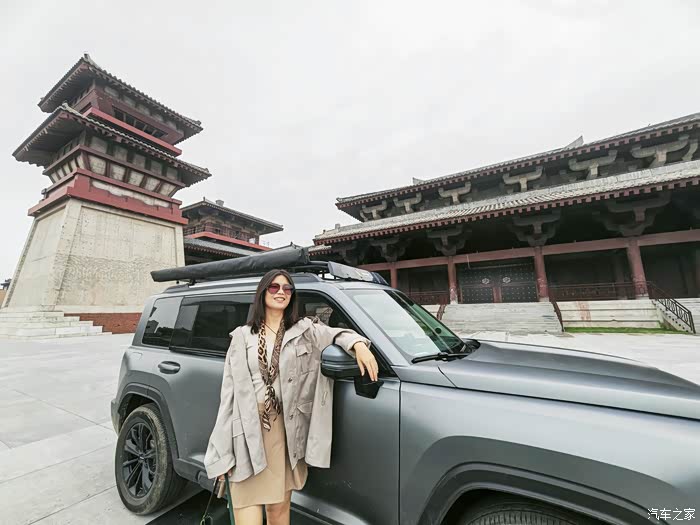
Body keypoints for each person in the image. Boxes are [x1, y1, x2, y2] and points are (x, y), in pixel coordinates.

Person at [204, 269, 378, 525]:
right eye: (274, 287)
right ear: (263, 293)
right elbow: (228, 398)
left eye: (287, 288)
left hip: (284, 432)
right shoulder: (242, 336)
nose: (281, 292)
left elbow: (335, 334)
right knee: (246, 513)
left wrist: (358, 345)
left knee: (278, 511)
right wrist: (222, 452)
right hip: (247, 432)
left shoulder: (304, 330)